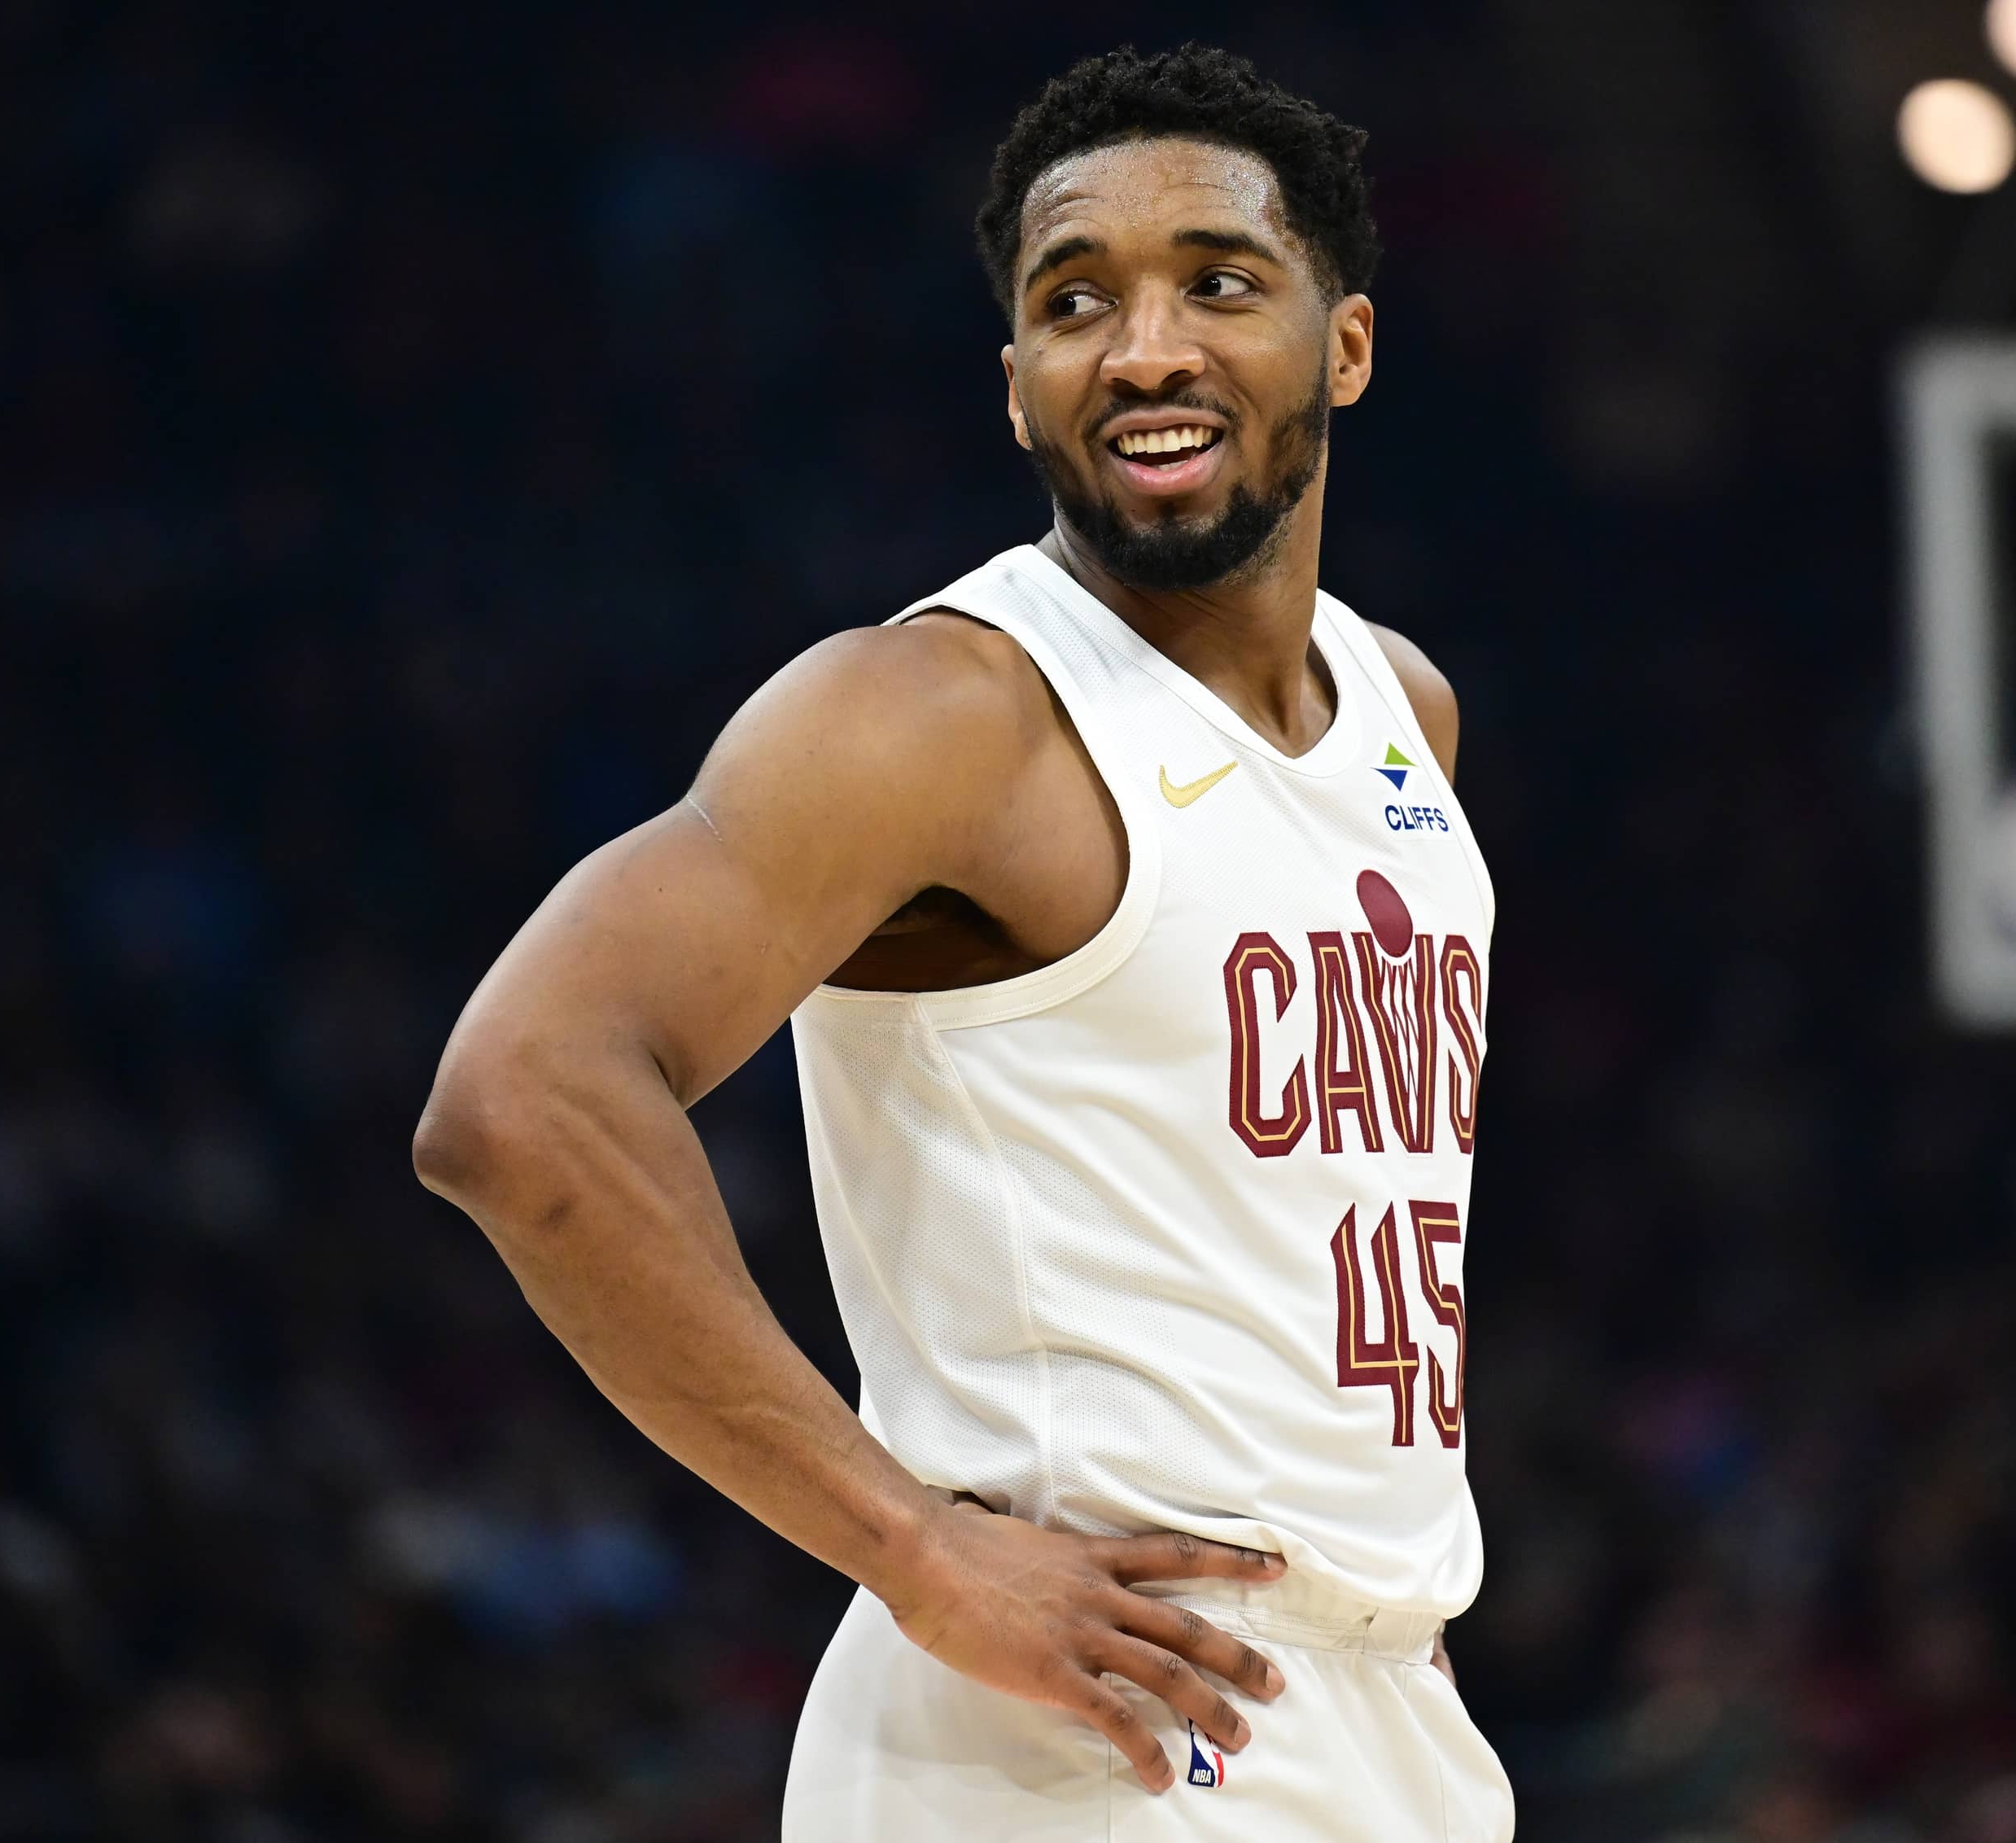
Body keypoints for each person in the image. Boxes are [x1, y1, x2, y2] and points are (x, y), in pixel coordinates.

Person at [413, 42, 1508, 1840]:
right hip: (1091, 1723)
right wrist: (913, 1548)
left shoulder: (1404, 712)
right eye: (1076, 302)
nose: (1144, 350)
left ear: (1348, 346)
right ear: (1016, 387)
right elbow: (519, 1097)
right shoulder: (939, 713)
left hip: (1383, 1706)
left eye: (1219, 283)